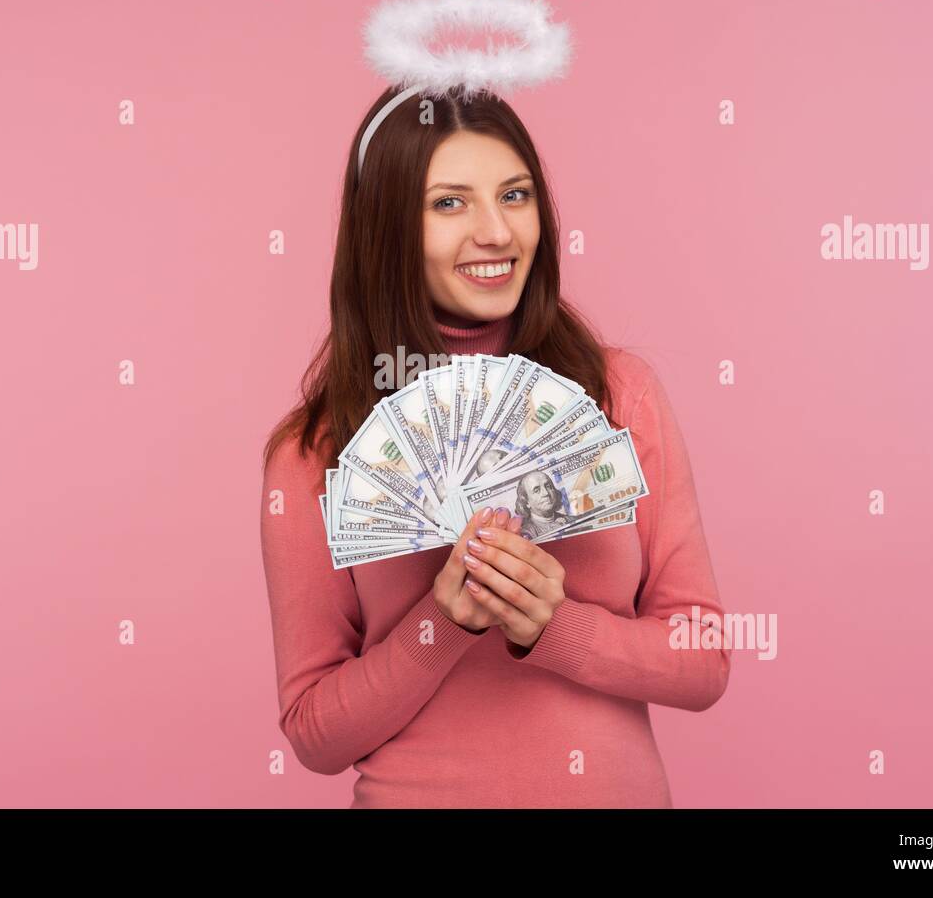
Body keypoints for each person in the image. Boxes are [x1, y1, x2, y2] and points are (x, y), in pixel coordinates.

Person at [258, 82, 731, 808]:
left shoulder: (618, 395)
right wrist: (442, 624)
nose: (497, 233)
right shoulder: (314, 450)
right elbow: (316, 735)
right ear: (385, 228)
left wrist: (555, 624)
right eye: (450, 203)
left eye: (514, 195)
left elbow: (704, 664)